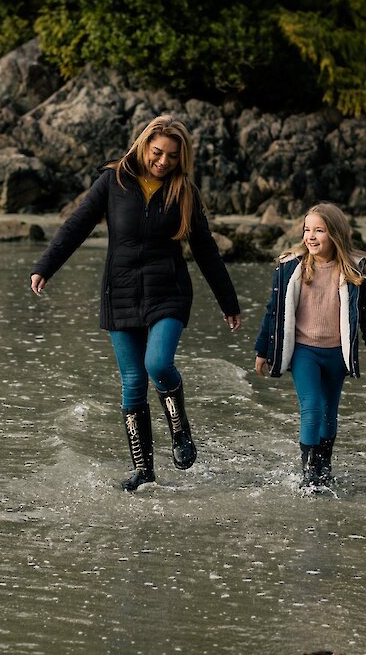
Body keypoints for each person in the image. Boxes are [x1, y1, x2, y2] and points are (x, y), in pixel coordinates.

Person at [30, 115, 242, 491]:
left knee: (158, 363)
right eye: (157, 152)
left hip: (168, 291)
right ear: (143, 145)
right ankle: (144, 471)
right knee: (132, 383)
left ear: (182, 158)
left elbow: (205, 248)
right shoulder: (113, 181)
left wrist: (228, 301)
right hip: (121, 292)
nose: (163, 162)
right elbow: (77, 224)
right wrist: (46, 266)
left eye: (172, 157)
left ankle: (179, 431)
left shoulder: (184, 191)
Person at [253, 202, 366, 488]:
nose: (310, 236)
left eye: (319, 230)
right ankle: (309, 473)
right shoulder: (292, 268)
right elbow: (273, 311)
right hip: (305, 352)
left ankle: (324, 466)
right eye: (306, 230)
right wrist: (262, 351)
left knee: (329, 413)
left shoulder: (353, 272)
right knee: (312, 408)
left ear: (335, 234)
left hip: (337, 354)